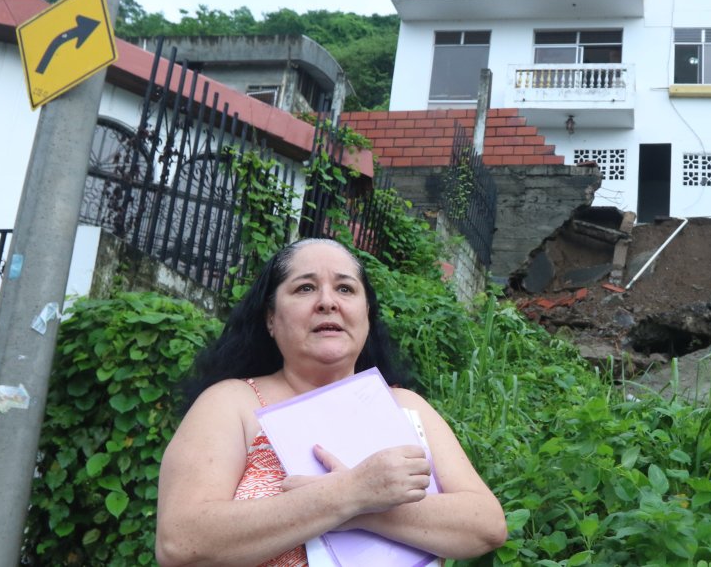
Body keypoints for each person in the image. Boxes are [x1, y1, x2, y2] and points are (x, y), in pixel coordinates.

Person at [156, 238, 507, 566]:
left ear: (366, 314)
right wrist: (347, 494)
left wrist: (367, 508)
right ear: (270, 318)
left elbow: (487, 527)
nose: (328, 302)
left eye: (345, 288)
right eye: (305, 288)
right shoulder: (231, 403)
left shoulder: (407, 407)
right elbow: (180, 542)